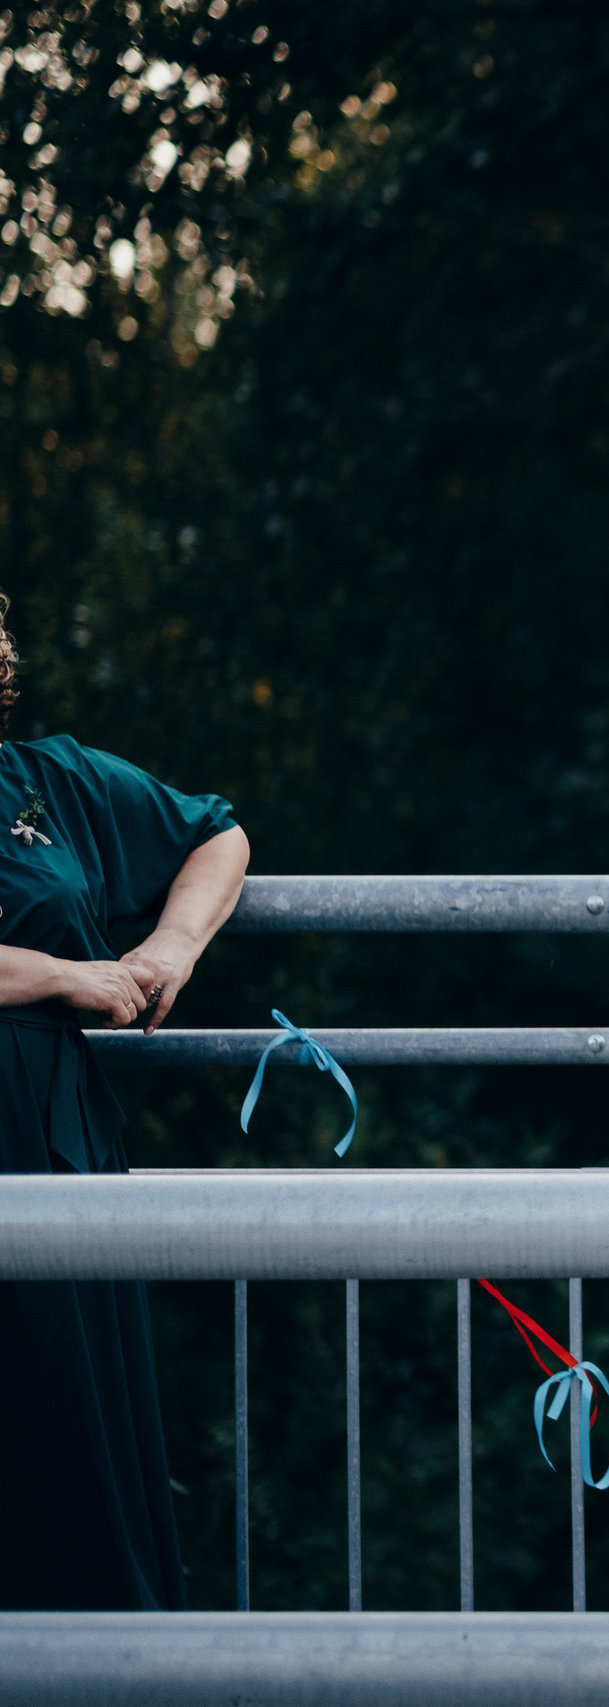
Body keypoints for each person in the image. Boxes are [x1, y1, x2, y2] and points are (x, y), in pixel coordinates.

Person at [0, 599, 252, 1610]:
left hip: (49, 1140)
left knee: (73, 1437)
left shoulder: (46, 781)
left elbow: (216, 835)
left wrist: (168, 948)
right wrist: (56, 974)